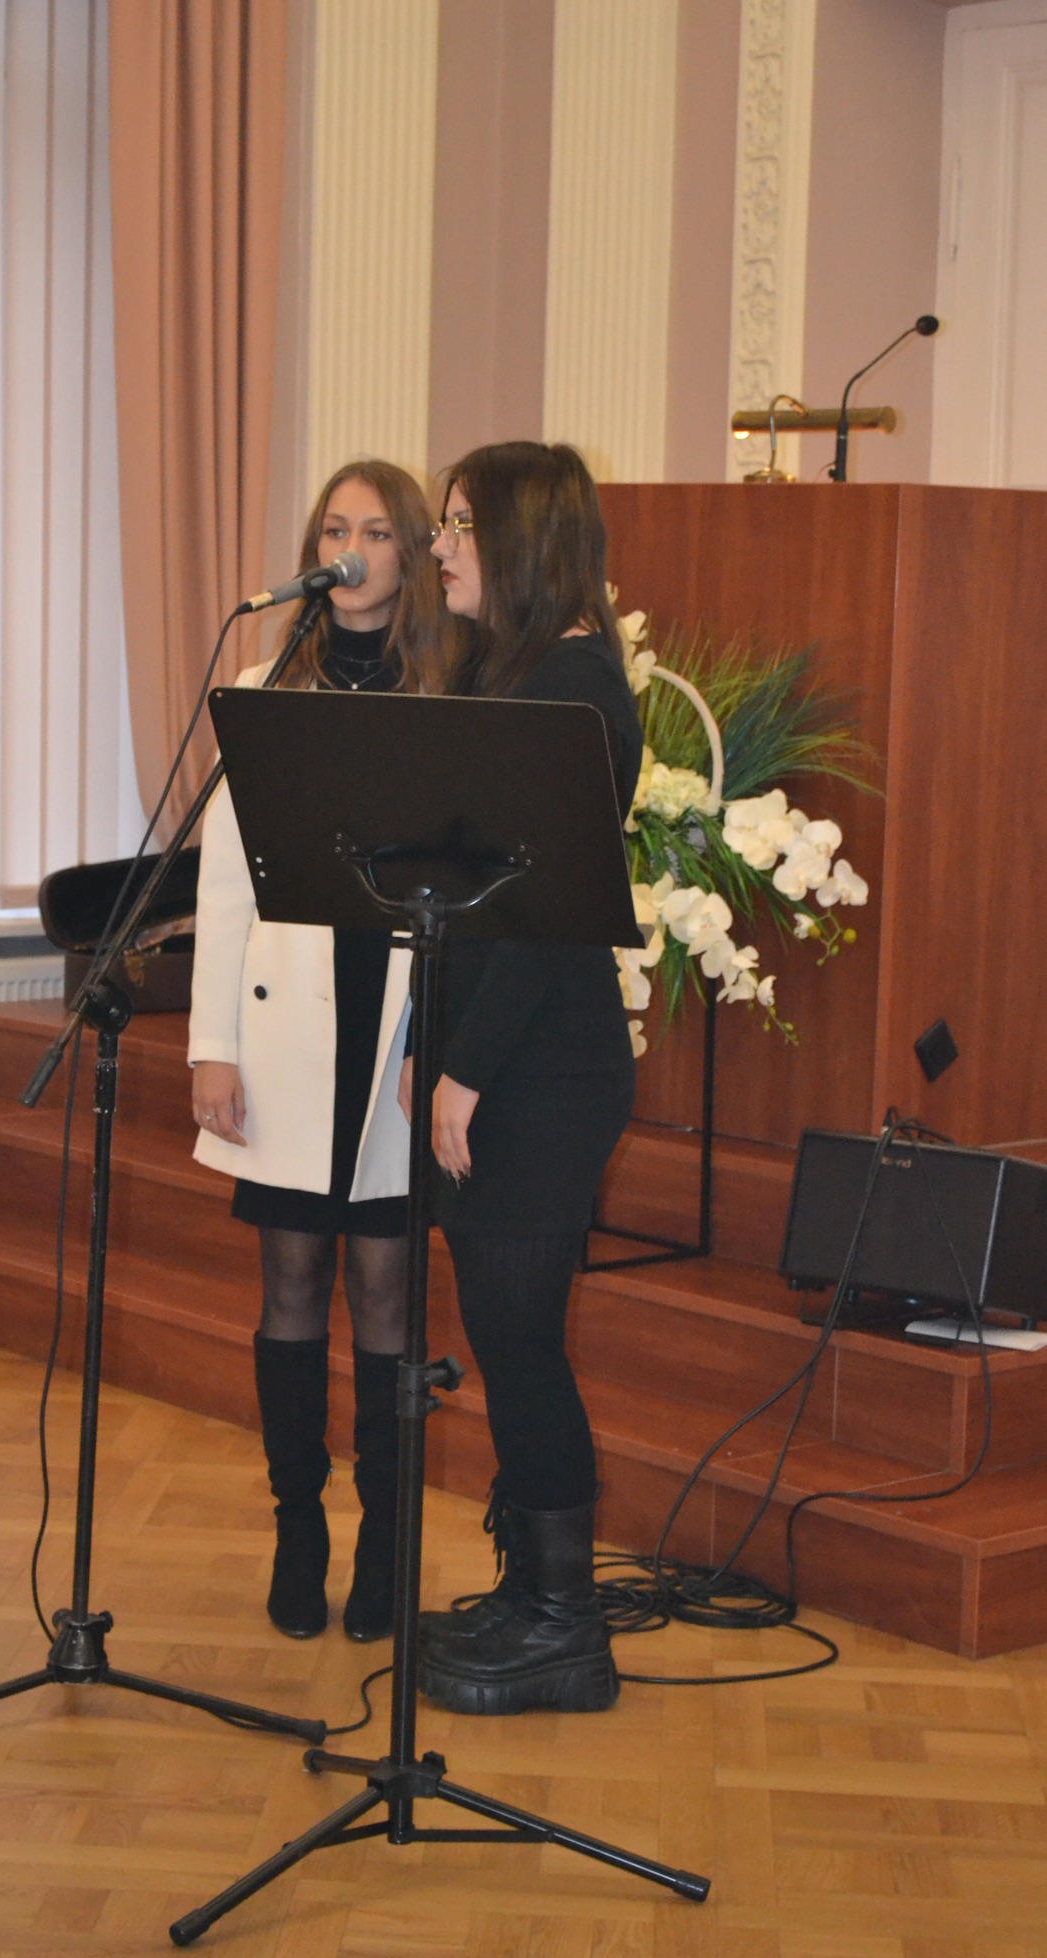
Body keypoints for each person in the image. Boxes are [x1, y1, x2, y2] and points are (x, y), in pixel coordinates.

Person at [188, 460, 457, 1643]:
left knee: (386, 1289)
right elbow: (223, 885)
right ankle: (298, 1529)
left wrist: (442, 1041)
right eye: (336, 528)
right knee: (291, 1280)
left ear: (413, 554)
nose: (352, 548)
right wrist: (211, 1044)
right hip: (288, 1026)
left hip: (396, 1028)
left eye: (378, 530)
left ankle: (386, 1547)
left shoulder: (450, 690)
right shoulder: (263, 689)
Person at [407, 440, 643, 1715]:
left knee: (524, 1345)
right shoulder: (530, 674)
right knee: (506, 1339)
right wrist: (430, 1045)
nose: (440, 544)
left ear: (524, 538)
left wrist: (464, 1069)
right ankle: (532, 1594)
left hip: (543, 1073)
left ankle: (566, 1627)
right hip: (514, 1061)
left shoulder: (573, 688)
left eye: (460, 523)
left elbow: (548, 918)